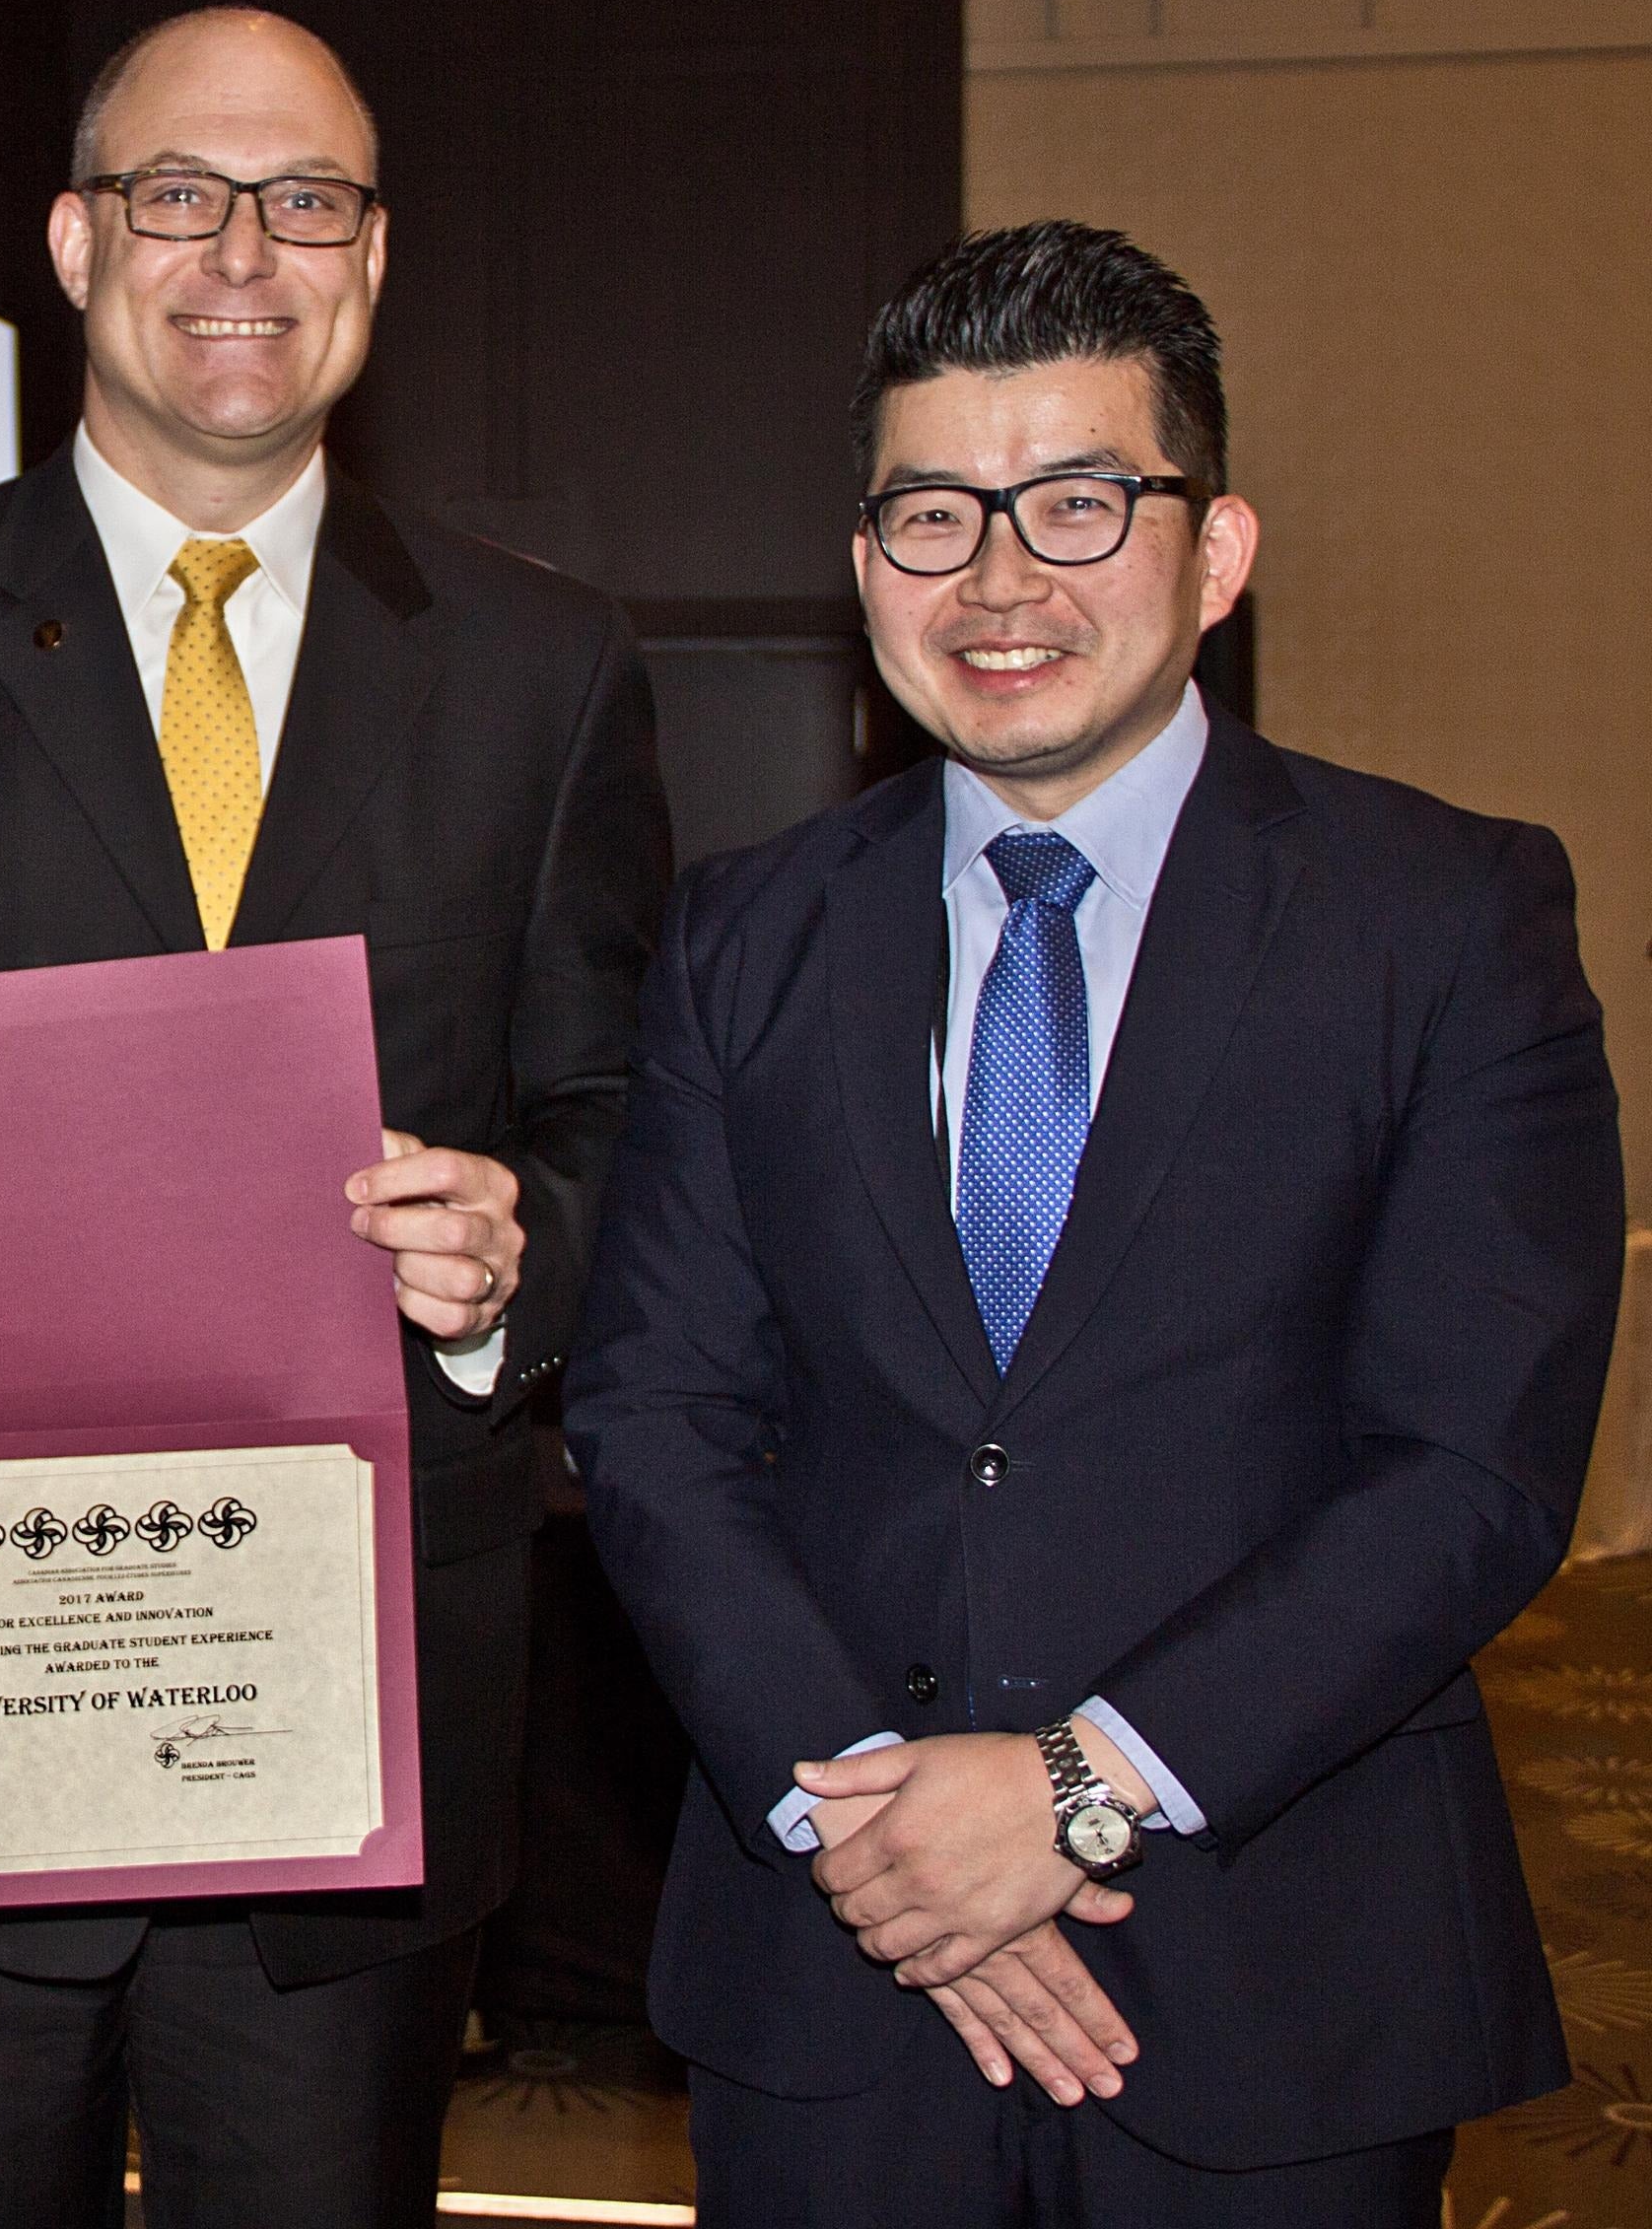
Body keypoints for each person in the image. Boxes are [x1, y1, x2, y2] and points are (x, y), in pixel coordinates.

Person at [0, 8, 668, 2226]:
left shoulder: (543, 667)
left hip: (345, 1722)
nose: (244, 250)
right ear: (73, 239)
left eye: (306, 200)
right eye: (180, 196)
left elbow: (617, 1116)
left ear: (376, 262)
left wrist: (523, 1258)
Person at [568, 219, 1626, 2224]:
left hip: (1277, 1966)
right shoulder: (744, 939)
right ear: (864, 562)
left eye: (1075, 504)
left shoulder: (1445, 920)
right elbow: (656, 1425)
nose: (999, 582)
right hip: (831, 1975)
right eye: (933, 515)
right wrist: (877, 1831)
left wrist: (1072, 1787)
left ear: (1215, 552)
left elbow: (1474, 1467)